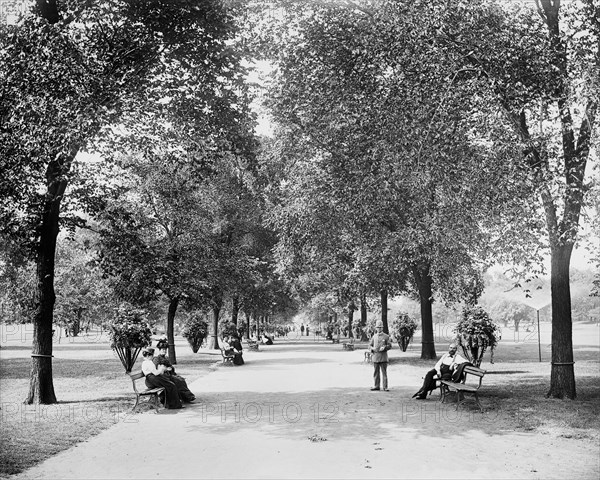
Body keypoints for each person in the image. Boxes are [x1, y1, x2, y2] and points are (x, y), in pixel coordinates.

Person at [369, 320, 392, 391]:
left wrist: (385, 347)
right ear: (376, 328)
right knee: (376, 373)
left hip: (383, 357)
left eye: (380, 327)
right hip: (375, 357)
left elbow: (390, 345)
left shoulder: (386, 336)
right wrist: (372, 348)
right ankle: (376, 386)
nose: (379, 328)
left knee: (384, 373)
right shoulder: (374, 336)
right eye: (378, 327)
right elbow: (369, 345)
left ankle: (385, 386)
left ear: (382, 328)